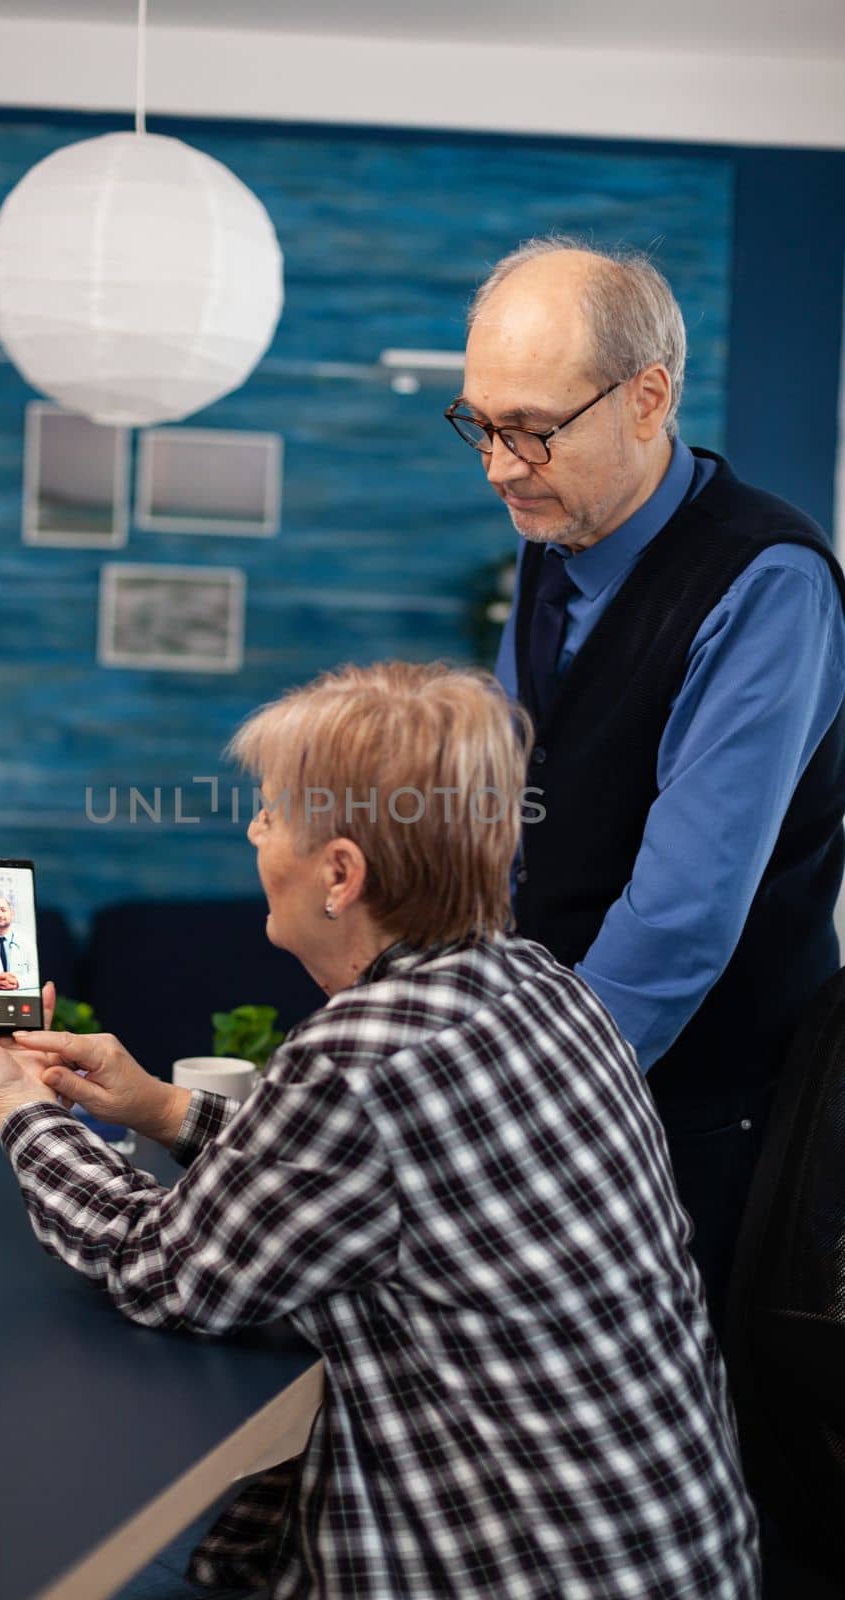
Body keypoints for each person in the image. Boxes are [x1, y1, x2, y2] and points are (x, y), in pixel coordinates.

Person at [0, 662, 759, 1600]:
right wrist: (162, 1108)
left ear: (340, 872)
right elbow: (378, 1169)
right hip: (669, 1551)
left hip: (512, 1568)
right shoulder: (540, 986)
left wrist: (19, 1108)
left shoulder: (357, 1058)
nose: (252, 831)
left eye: (271, 814)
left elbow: (164, 1271)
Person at [446, 237, 845, 1330]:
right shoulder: (551, 527)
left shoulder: (767, 580)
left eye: (529, 427)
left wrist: (505, 1106)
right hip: (556, 1078)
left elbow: (677, 921)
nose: (496, 463)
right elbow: (505, 811)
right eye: (477, 424)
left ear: (646, 397)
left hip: (698, 1116)